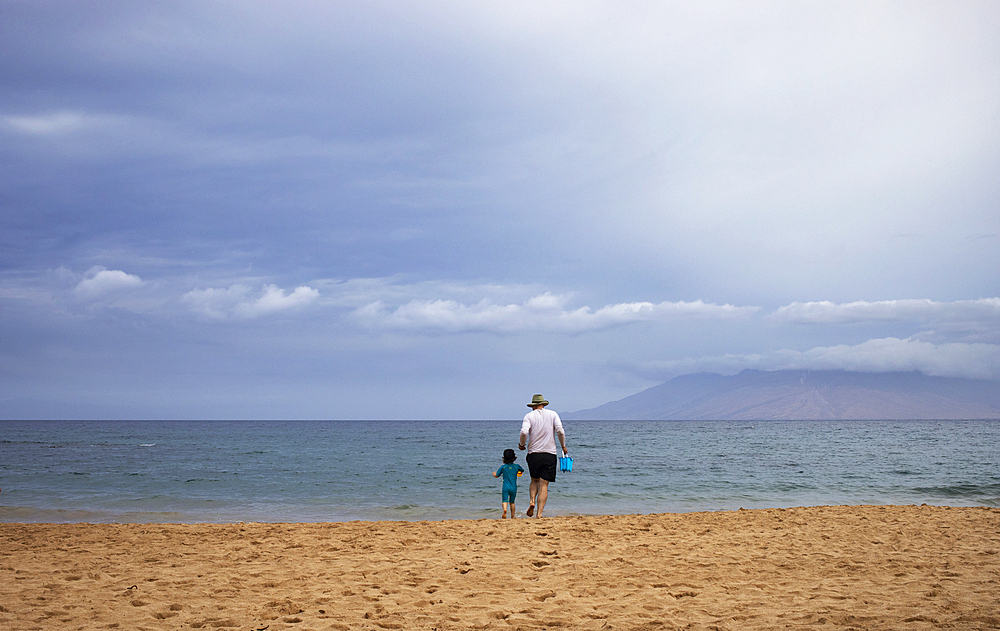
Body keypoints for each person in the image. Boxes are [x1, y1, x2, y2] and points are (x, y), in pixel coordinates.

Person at [518, 394, 567, 518]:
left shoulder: (529, 416)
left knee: (534, 480)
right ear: (543, 404)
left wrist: (522, 444)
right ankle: (539, 514)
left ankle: (532, 501)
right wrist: (563, 446)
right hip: (549, 454)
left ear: (533, 406)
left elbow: (524, 432)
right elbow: (560, 431)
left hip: (533, 454)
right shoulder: (553, 414)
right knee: (544, 484)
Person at [492, 448, 524, 519]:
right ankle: (512, 516)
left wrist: (494, 473)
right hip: (514, 487)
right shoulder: (516, 466)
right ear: (514, 458)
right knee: (512, 502)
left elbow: (497, 475)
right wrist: (519, 472)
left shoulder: (503, 467)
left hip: (505, 487)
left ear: (504, 458)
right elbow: (522, 470)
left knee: (505, 500)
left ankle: (505, 510)